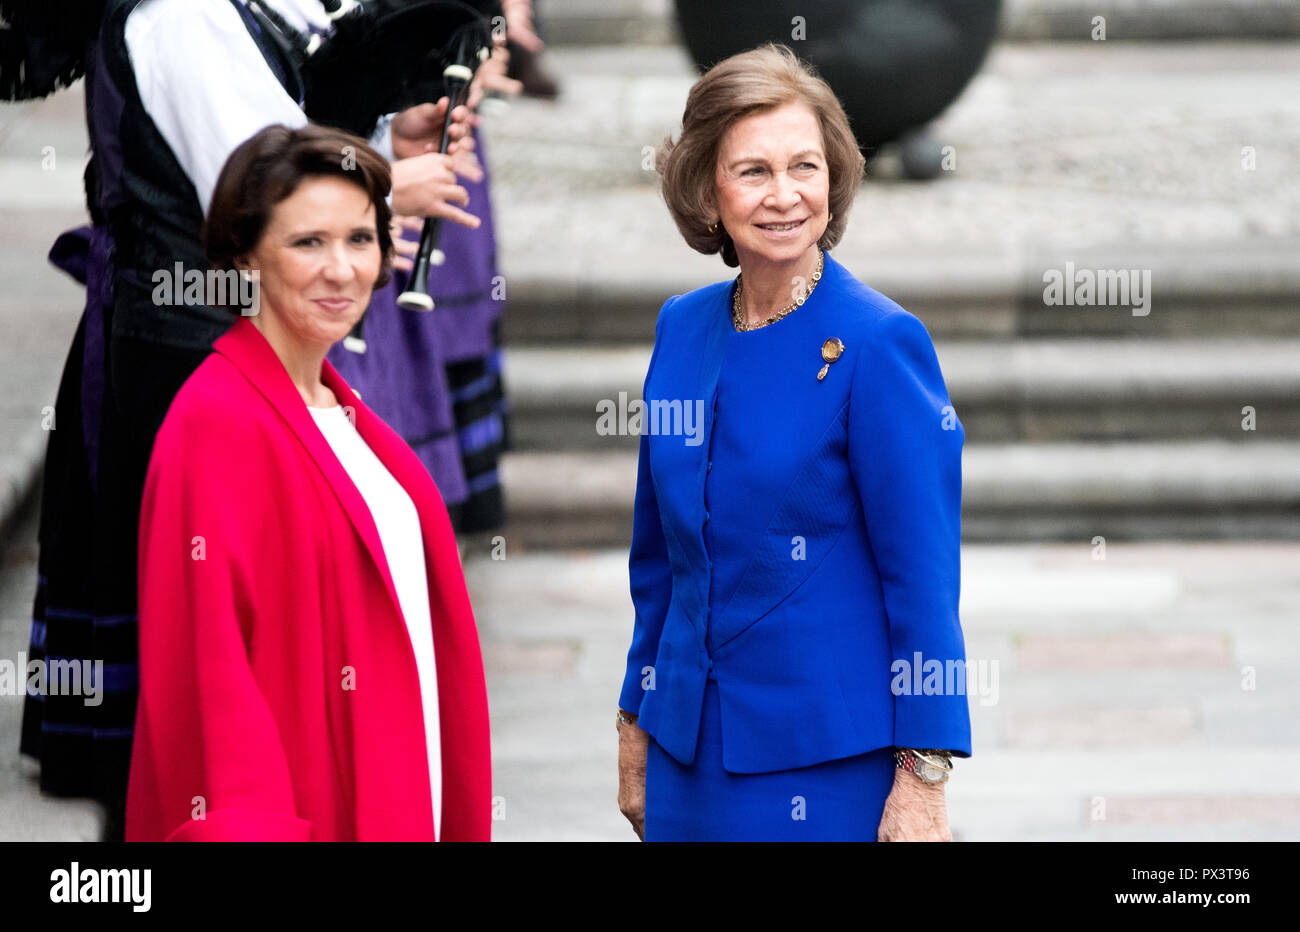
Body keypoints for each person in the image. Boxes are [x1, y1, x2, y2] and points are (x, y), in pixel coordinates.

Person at [15, 0, 480, 839]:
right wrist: (383, 180)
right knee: (212, 659)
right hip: (183, 344)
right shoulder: (187, 16)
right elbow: (261, 183)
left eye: (358, 245)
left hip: (209, 335)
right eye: (323, 247)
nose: (342, 265)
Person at [615, 43, 972, 842]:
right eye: (753, 172)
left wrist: (924, 777)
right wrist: (634, 719)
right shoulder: (682, 328)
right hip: (684, 753)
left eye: (804, 167)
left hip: (826, 762)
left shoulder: (879, 344)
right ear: (708, 189)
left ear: (834, 178)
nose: (784, 196)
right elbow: (660, 563)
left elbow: (924, 584)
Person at [125, 124, 491, 841]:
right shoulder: (215, 424)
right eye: (307, 242)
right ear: (246, 256)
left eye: (360, 239)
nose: (342, 269)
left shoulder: (345, 414)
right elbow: (207, 681)